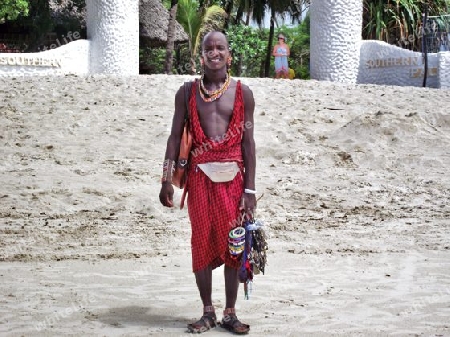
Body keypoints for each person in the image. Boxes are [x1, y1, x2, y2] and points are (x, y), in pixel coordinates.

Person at [159, 31, 256, 335]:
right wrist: (166, 179)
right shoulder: (186, 93)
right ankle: (207, 311)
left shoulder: (243, 92)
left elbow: (248, 143)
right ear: (201, 55)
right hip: (199, 179)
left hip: (234, 180)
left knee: (234, 242)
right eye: (208, 48)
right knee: (200, 241)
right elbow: (174, 137)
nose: (214, 52)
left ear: (229, 55)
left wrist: (250, 190)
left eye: (220, 48)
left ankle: (230, 312)